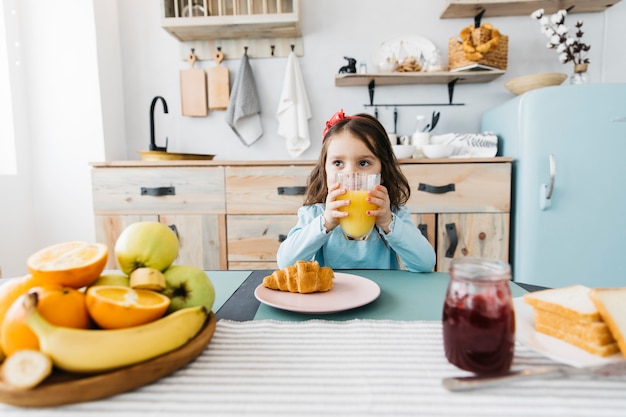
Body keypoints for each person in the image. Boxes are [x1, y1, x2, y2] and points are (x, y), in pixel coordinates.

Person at [276, 109, 436, 272]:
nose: (350, 174)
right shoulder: (315, 214)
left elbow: (425, 264)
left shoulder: (393, 214)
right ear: (325, 171)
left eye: (364, 163)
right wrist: (326, 222)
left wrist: (388, 222)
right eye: (338, 163)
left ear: (382, 173)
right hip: (332, 294)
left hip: (383, 293)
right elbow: (285, 263)